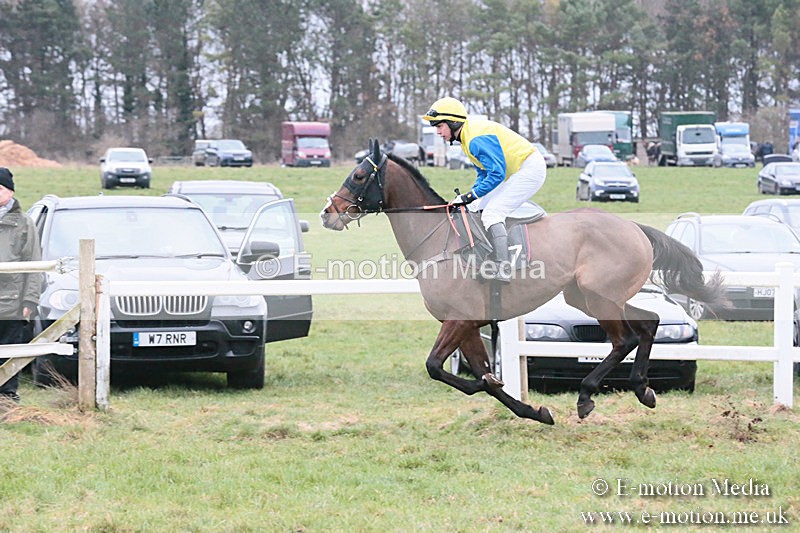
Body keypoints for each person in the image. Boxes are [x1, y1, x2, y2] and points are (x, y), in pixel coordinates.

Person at [422, 97, 547, 283]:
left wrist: (470, 195)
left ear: (453, 122)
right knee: (473, 208)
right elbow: (483, 174)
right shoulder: (466, 139)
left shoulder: (474, 139)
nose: (438, 132)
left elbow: (496, 174)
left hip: (529, 168)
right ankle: (484, 256)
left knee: (492, 213)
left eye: (440, 126)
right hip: (513, 172)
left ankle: (503, 267)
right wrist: (469, 198)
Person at [0, 167, 42, 402]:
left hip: (11, 303)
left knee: (9, 351)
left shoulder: (25, 223)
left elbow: (34, 263)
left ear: (10, 192)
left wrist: (30, 300)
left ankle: (6, 397)